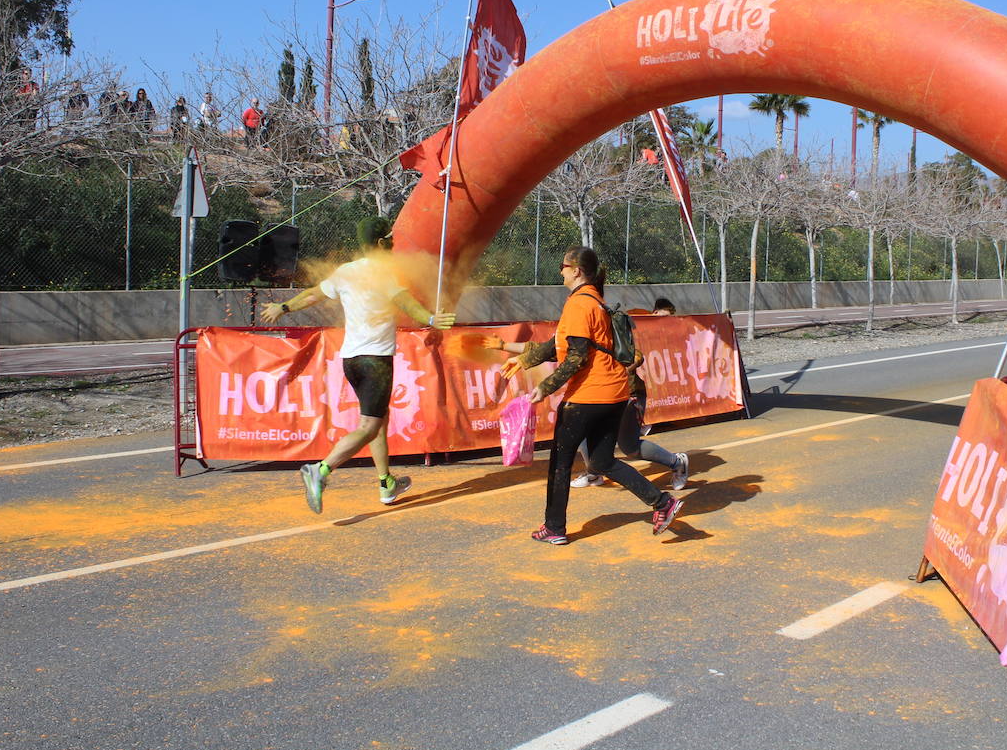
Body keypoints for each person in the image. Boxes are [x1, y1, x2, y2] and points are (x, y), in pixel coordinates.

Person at [261, 217, 456, 513]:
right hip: (375, 360)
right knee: (368, 426)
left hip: (351, 360)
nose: (393, 243)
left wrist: (283, 307)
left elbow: (314, 293)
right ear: (379, 243)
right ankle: (321, 471)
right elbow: (406, 304)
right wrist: (431, 319)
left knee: (377, 418)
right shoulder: (385, 273)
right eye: (389, 238)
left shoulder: (346, 272)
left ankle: (385, 483)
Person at [497, 245, 683, 545]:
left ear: (576, 271)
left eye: (563, 265)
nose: (560, 271)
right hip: (615, 394)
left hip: (588, 396)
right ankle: (662, 503)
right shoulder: (597, 302)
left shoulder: (578, 305)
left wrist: (544, 388)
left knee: (560, 462)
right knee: (602, 462)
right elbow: (559, 345)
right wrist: (521, 359)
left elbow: (577, 356)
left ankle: (554, 528)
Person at [485, 294, 690, 492]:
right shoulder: (575, 332)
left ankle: (676, 462)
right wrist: (504, 346)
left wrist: (617, 371)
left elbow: (637, 356)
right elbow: (545, 349)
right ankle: (594, 472)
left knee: (629, 447)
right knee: (579, 431)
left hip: (626, 395)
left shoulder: (608, 330)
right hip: (595, 396)